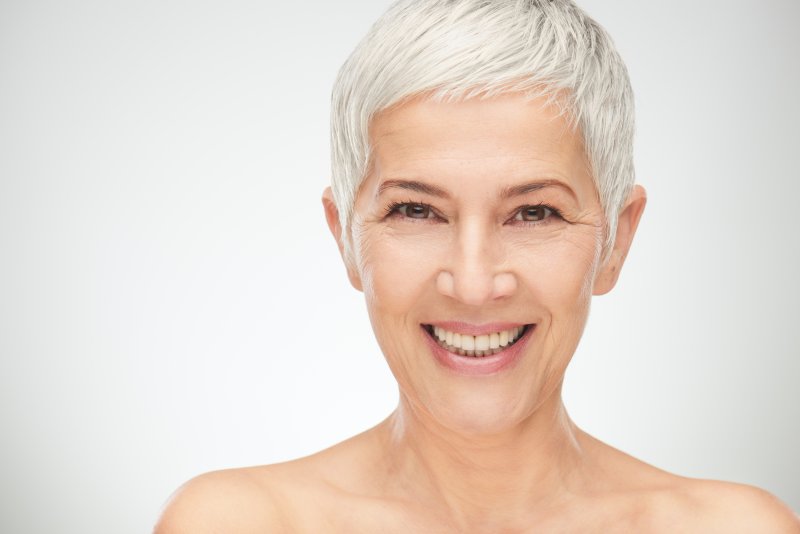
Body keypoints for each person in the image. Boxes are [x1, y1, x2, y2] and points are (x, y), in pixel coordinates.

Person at [155, 0, 799, 531]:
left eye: (535, 214)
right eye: (415, 210)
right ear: (345, 238)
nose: (472, 282)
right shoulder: (232, 522)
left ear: (616, 243)